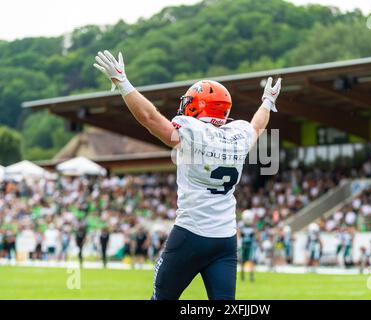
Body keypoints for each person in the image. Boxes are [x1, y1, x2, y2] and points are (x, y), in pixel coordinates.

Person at [94, 50, 282, 300]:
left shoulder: (192, 131)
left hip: (190, 234)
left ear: (199, 105)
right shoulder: (240, 134)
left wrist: (122, 83)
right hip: (225, 239)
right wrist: (267, 101)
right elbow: (258, 124)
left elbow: (150, 118)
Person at [238, 210, 257, 282]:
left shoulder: (253, 226)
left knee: (250, 260)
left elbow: (255, 235)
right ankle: (242, 275)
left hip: (250, 246)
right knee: (243, 261)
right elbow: (239, 235)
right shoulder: (241, 225)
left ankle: (251, 276)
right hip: (244, 245)